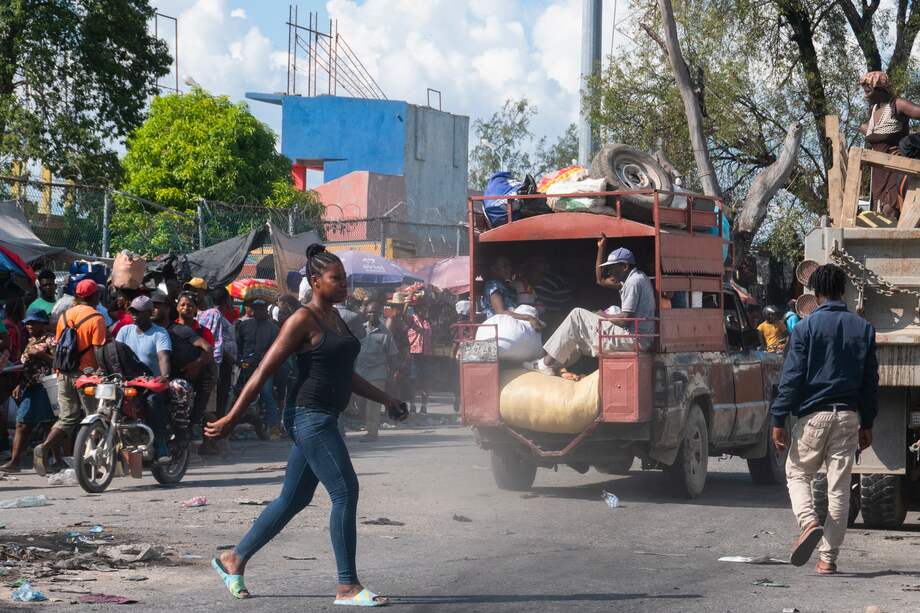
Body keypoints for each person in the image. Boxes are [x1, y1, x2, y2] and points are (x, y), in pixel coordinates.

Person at [205, 244, 406, 605]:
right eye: (336, 279)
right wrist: (232, 418)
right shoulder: (302, 320)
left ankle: (233, 559)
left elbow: (346, 374)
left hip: (326, 415)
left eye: (345, 279)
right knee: (345, 491)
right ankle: (347, 586)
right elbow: (263, 370)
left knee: (293, 498)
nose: (345, 285)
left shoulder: (336, 318)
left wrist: (386, 400)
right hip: (308, 416)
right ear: (315, 282)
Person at [771, 264, 878, 575]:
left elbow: (791, 378)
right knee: (839, 489)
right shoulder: (864, 329)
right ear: (843, 291)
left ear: (814, 294)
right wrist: (867, 423)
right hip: (848, 416)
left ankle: (808, 522)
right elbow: (871, 381)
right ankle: (827, 560)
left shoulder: (804, 329)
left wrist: (779, 417)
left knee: (797, 472)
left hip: (813, 415)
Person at [525, 244, 656, 378]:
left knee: (577, 314)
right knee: (578, 337)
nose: (609, 271)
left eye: (612, 267)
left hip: (634, 338)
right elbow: (600, 280)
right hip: (638, 337)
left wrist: (602, 315)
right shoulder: (637, 277)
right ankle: (553, 366)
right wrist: (601, 248)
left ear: (624, 266)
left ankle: (545, 364)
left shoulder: (633, 282)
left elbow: (625, 320)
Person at [33, 279, 106, 476]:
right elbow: (99, 349)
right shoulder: (96, 318)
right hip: (87, 376)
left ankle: (45, 446)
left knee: (68, 417)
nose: (99, 297)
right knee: (94, 418)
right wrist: (103, 372)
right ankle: (94, 464)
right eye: (97, 294)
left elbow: (57, 347)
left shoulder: (64, 316)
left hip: (63, 372)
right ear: (92, 296)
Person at [115, 295, 173, 462]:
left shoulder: (159, 333)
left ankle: (161, 444)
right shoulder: (124, 330)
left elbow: (164, 357)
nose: (134, 315)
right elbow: (116, 354)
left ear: (149, 313)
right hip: (127, 382)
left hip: (150, 384)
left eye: (139, 312)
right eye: (132, 311)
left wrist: (164, 376)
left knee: (153, 401)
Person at [0, 309, 57, 472]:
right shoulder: (31, 341)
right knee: (25, 423)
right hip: (30, 386)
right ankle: (16, 461)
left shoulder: (50, 339)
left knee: (42, 424)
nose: (30, 326)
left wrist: (42, 355)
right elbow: (26, 366)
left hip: (45, 386)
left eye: (34, 323)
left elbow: (58, 362)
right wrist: (19, 384)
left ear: (43, 323)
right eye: (28, 323)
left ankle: (55, 460)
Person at [858, 71, 920, 219]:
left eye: (868, 84)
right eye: (863, 84)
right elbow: (878, 135)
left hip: (896, 166)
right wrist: (863, 128)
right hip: (878, 170)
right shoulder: (873, 110)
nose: (864, 87)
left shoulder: (897, 104)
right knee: (881, 213)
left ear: (879, 86)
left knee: (890, 209)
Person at [235, 299, 282, 439]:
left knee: (267, 394)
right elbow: (238, 344)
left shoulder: (273, 329)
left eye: (262, 308)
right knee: (240, 395)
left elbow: (277, 350)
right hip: (246, 367)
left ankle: (274, 427)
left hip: (264, 367)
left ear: (266, 310)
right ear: (252, 310)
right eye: (256, 308)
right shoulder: (244, 326)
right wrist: (239, 360)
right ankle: (234, 426)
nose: (259, 311)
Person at [355, 299, 397, 441]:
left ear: (380, 314)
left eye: (375, 312)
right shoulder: (360, 329)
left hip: (377, 373)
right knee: (353, 401)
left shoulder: (386, 333)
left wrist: (392, 374)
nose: (372, 315)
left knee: (373, 404)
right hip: (359, 372)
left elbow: (392, 356)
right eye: (370, 312)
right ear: (366, 313)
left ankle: (372, 433)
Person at [197, 287, 237, 421]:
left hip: (222, 364)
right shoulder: (214, 314)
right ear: (226, 300)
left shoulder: (214, 314)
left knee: (221, 398)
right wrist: (227, 356)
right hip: (217, 364)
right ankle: (213, 433)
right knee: (215, 403)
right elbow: (213, 340)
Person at [406, 299, 432, 414]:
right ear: (418, 310)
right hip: (414, 354)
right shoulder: (412, 319)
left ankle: (424, 406)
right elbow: (403, 313)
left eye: (425, 309)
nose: (425, 311)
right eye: (423, 309)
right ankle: (412, 405)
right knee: (413, 380)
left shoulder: (427, 322)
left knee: (425, 381)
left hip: (426, 355)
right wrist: (409, 299)